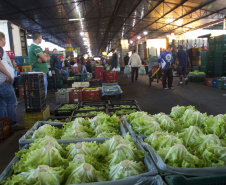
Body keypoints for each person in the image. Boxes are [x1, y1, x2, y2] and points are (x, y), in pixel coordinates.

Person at [0, 31, 17, 126]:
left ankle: (4, 125)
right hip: (3, 82)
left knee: (1, 104)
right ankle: (13, 124)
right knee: (12, 102)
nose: (5, 41)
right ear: (2, 39)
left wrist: (11, 63)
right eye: (5, 39)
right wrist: (8, 75)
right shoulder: (0, 48)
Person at [28, 32, 50, 98]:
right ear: (39, 38)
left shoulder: (37, 47)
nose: (41, 39)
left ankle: (42, 106)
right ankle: (41, 107)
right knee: (42, 92)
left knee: (42, 91)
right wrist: (43, 57)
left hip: (42, 73)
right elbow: (45, 59)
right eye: (41, 38)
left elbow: (48, 57)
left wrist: (43, 57)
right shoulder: (35, 47)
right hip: (40, 73)